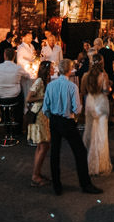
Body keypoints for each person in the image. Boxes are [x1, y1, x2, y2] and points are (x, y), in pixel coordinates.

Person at [41, 59, 103, 196]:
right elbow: (77, 109)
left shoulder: (51, 86)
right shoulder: (72, 87)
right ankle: (85, 184)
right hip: (67, 121)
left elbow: (45, 108)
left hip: (55, 121)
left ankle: (57, 186)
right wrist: (75, 112)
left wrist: (52, 117)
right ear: (70, 70)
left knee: (55, 153)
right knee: (80, 152)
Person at [82, 56, 112, 176]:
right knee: (100, 134)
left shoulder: (86, 75)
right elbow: (105, 91)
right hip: (100, 103)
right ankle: (99, 164)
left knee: (89, 131)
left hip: (90, 102)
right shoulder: (103, 76)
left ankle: (88, 161)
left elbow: (83, 91)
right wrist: (109, 86)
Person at [27, 60, 53, 187]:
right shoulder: (39, 81)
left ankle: (37, 173)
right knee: (44, 145)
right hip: (39, 115)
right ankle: (35, 176)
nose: (53, 70)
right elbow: (29, 98)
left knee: (43, 146)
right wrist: (44, 97)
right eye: (52, 68)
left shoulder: (45, 81)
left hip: (44, 115)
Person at [0, 47, 30, 130]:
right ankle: (18, 125)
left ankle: (5, 120)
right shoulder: (18, 68)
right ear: (14, 56)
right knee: (21, 94)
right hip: (14, 97)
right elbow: (28, 76)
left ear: (4, 56)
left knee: (6, 100)